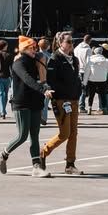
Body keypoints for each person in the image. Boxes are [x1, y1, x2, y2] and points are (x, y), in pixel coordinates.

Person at [0, 37, 53, 178]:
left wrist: (46, 86)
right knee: (22, 135)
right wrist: (42, 89)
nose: (35, 50)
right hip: (21, 102)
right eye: (31, 48)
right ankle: (3, 154)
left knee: (35, 135)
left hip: (35, 102)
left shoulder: (37, 60)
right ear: (24, 49)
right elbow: (27, 79)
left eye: (35, 47)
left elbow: (43, 76)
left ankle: (36, 167)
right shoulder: (18, 63)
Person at [40, 32, 83, 175]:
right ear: (60, 43)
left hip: (74, 99)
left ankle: (70, 164)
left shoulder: (74, 59)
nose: (71, 44)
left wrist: (78, 91)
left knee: (74, 133)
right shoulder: (55, 58)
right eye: (69, 42)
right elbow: (51, 81)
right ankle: (44, 151)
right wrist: (58, 96)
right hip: (61, 100)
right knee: (65, 133)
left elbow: (76, 78)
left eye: (72, 42)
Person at [84, 47, 108, 115]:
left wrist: (84, 82)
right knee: (103, 95)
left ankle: (89, 108)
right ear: (101, 52)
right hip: (102, 80)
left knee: (91, 95)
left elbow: (87, 72)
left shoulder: (90, 60)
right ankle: (104, 109)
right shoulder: (106, 60)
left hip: (92, 79)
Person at [0, 39, 13, 120]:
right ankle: (3, 111)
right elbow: (12, 68)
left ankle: (2, 111)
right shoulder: (9, 55)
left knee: (1, 95)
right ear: (4, 46)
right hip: (7, 77)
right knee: (5, 95)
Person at [74, 34, 93, 113]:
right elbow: (89, 62)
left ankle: (77, 105)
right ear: (90, 40)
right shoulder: (88, 49)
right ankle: (81, 106)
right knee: (84, 89)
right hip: (85, 70)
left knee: (79, 88)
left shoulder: (76, 48)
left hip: (77, 70)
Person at [37, 38, 52, 126]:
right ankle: (44, 117)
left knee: (37, 100)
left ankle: (39, 116)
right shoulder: (50, 56)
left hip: (38, 79)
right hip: (47, 80)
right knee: (46, 101)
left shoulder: (36, 55)